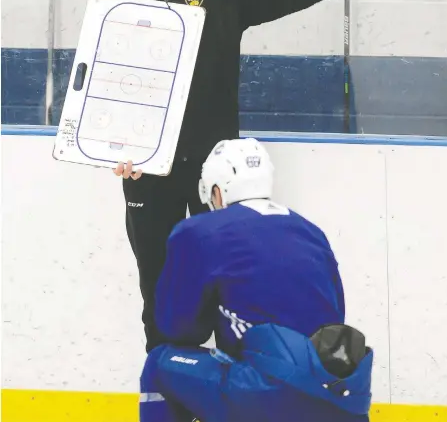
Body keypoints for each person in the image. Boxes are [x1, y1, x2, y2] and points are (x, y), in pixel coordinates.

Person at [112, 0, 383, 353]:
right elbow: (109, 93)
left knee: (228, 279)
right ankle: (168, 394)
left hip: (215, 171)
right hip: (149, 174)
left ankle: (232, 390)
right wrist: (117, 149)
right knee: (158, 284)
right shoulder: (119, 7)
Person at [139, 137, 374, 422]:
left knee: (159, 366)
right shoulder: (311, 231)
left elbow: (179, 330)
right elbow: (334, 316)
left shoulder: (199, 231)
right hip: (341, 400)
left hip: (268, 397)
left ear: (217, 191)